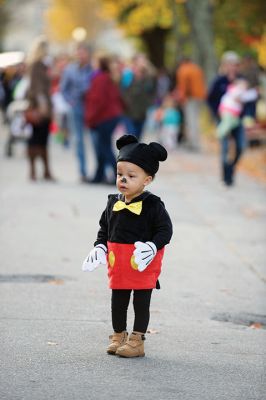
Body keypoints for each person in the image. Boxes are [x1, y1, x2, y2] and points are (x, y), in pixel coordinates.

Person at [82, 134, 173, 358]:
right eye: (119, 174)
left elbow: (165, 230)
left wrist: (152, 246)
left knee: (141, 303)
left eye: (131, 176)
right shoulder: (112, 202)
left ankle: (137, 340)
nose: (123, 179)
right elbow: (104, 228)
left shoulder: (153, 205)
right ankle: (119, 335)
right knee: (118, 301)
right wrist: (100, 247)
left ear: (147, 180)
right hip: (119, 263)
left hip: (142, 264)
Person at [207, 51, 245, 186]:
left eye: (234, 64)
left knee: (241, 146)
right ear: (224, 65)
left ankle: (231, 168)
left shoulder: (242, 80)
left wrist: (248, 114)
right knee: (225, 147)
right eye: (229, 64)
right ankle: (226, 175)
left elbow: (250, 99)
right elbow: (210, 99)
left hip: (238, 119)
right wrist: (217, 114)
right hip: (223, 118)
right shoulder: (219, 81)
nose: (232, 67)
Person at [84, 56, 124, 184]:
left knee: (104, 147)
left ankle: (117, 175)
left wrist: (90, 118)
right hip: (111, 116)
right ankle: (99, 175)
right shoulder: (109, 78)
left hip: (105, 117)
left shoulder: (100, 79)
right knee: (102, 147)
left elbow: (98, 101)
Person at [60, 43, 92, 182]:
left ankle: (99, 171)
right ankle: (83, 172)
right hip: (76, 107)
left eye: (83, 52)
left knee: (94, 139)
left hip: (92, 108)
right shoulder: (69, 70)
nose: (81, 55)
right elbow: (63, 89)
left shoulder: (93, 69)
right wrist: (70, 101)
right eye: (79, 52)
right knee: (78, 140)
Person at [25, 36, 54, 181]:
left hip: (44, 107)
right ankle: (34, 171)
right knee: (35, 139)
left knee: (42, 139)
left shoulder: (42, 65)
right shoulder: (36, 65)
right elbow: (36, 89)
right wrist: (43, 106)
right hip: (39, 108)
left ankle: (45, 171)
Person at [176, 57, 206, 151]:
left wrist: (181, 98)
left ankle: (193, 144)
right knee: (195, 120)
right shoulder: (197, 68)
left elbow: (183, 86)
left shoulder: (183, 70)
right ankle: (196, 142)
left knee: (190, 121)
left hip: (190, 98)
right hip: (199, 96)